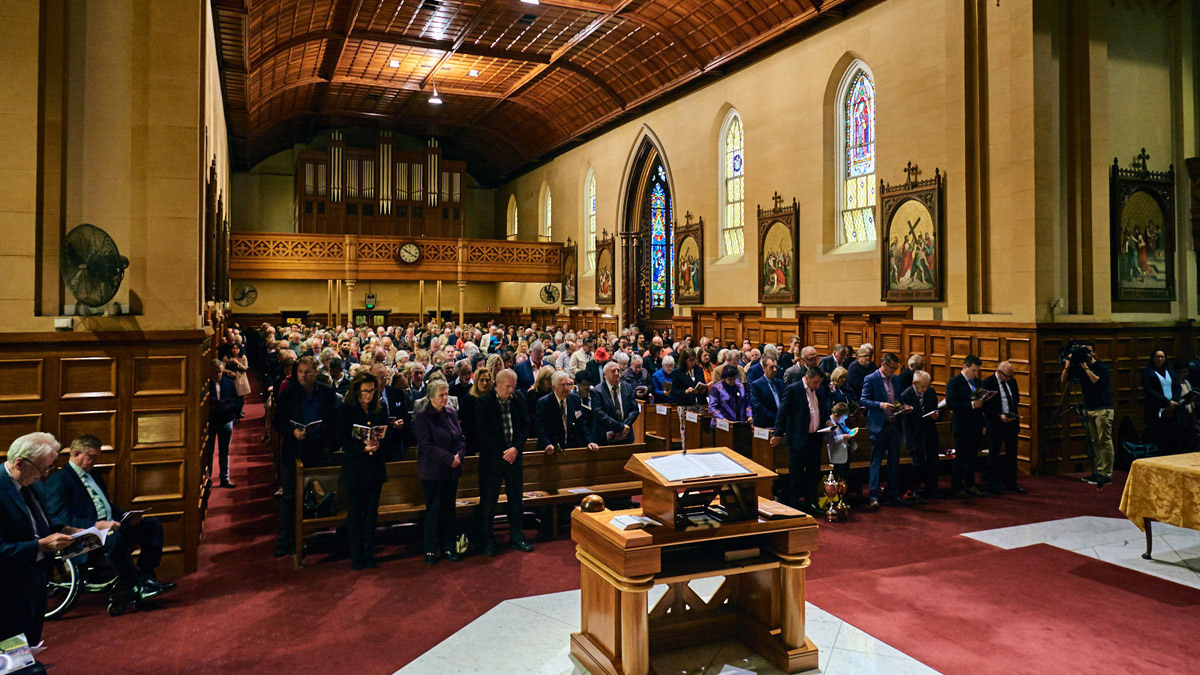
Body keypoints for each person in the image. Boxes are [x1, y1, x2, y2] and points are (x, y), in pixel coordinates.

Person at [41, 435, 175, 601]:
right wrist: (95, 525)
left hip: (110, 528)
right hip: (85, 535)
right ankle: (135, 587)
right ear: (76, 454)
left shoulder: (94, 475)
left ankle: (147, 577)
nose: (95, 461)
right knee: (115, 539)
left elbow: (106, 506)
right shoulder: (59, 481)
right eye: (92, 457)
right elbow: (59, 518)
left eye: (97, 456)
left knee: (151, 525)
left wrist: (125, 516)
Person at [1, 433, 77, 648]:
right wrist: (41, 545)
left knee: (31, 641)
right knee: (12, 649)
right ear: (19, 463)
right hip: (8, 586)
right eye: (43, 468)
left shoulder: (31, 482)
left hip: (37, 577)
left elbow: (41, 520)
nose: (45, 474)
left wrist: (66, 529)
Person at [271, 356, 337, 557]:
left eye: (308, 372)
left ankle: (317, 536)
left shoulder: (326, 392)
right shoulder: (289, 393)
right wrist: (292, 433)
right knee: (290, 497)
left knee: (322, 495)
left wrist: (325, 438)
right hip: (295, 450)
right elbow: (277, 422)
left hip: (318, 450)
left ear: (315, 372)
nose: (303, 376)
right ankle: (285, 540)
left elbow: (334, 420)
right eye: (300, 372)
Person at [337, 372, 391, 570]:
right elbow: (341, 438)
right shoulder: (346, 409)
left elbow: (387, 433)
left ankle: (369, 554)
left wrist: (379, 443)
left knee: (371, 513)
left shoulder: (380, 407)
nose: (368, 395)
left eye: (372, 391)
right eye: (365, 391)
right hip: (355, 468)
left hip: (374, 468)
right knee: (355, 513)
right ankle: (356, 555)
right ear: (357, 390)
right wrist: (361, 447)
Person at [476, 369, 533, 555]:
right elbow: (482, 434)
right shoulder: (484, 402)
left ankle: (517, 537)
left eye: (514, 386)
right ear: (497, 384)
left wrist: (516, 448)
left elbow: (525, 426)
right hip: (492, 461)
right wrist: (503, 452)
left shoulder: (519, 399)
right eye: (508, 386)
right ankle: (487, 541)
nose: (511, 390)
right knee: (489, 502)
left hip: (514, 458)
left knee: (516, 500)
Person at [413, 379, 467, 565]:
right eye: (441, 395)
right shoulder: (422, 417)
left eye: (446, 394)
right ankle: (430, 550)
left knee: (449, 512)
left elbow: (461, 438)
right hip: (433, 472)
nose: (445, 398)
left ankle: (448, 547)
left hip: (451, 471)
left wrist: (459, 455)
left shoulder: (450, 413)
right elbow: (427, 446)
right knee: (434, 511)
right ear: (431, 397)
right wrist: (449, 459)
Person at [772, 367, 830, 513]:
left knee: (813, 474)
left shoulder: (820, 391)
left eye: (820, 383)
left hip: (815, 439)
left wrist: (828, 422)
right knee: (796, 475)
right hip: (799, 439)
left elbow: (822, 411)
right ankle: (795, 505)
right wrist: (778, 433)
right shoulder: (793, 389)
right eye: (815, 382)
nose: (817, 386)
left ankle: (810, 504)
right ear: (807, 378)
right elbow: (783, 412)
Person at [861, 353, 915, 507]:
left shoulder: (896, 379)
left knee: (894, 461)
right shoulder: (871, 378)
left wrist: (904, 407)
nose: (894, 371)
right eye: (892, 368)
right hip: (879, 425)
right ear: (883, 364)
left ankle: (893, 493)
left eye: (896, 368)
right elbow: (863, 400)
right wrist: (881, 405)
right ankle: (873, 495)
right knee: (876, 460)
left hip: (894, 424)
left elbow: (898, 398)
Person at [1060, 343, 1114, 486]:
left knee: (1104, 441)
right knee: (1094, 442)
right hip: (1088, 408)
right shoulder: (1079, 367)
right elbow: (1063, 380)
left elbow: (1096, 381)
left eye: (1088, 351)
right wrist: (1068, 364)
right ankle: (1098, 471)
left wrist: (1085, 368)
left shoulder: (1102, 367)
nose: (1086, 354)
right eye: (1083, 352)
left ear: (1094, 353)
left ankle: (1106, 474)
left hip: (1103, 409)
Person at [947, 355, 987, 498]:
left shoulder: (976, 382)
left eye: (977, 371)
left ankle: (970, 484)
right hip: (962, 425)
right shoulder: (955, 382)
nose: (975, 374)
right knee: (961, 457)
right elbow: (951, 404)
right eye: (973, 370)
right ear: (965, 367)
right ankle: (956, 486)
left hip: (975, 424)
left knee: (972, 457)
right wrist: (971, 404)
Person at [983, 361, 1025, 494]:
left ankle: (1012, 483)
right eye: (1007, 376)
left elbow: (1015, 399)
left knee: (1012, 454)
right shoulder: (987, 383)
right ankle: (993, 484)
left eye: (1011, 376)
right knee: (994, 453)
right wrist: (999, 416)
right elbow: (984, 406)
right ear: (999, 372)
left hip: (1011, 423)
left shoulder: (1012, 382)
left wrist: (1011, 415)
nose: (1009, 379)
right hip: (995, 424)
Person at [535, 371, 599, 453]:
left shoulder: (575, 400)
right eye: (563, 385)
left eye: (568, 385)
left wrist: (590, 441)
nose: (566, 388)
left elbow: (582, 424)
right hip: (550, 450)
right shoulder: (544, 403)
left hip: (571, 449)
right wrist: (547, 444)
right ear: (554, 387)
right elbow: (540, 427)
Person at [900, 370, 941, 500]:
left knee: (933, 460)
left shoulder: (930, 392)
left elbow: (934, 408)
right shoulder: (906, 395)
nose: (925, 389)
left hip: (929, 431)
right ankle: (914, 489)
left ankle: (931, 488)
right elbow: (904, 421)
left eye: (926, 385)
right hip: (915, 433)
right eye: (922, 386)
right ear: (915, 383)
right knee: (918, 463)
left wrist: (935, 415)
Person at [204, 359, 239, 488]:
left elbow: (236, 400)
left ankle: (225, 478)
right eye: (215, 372)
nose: (218, 374)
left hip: (226, 420)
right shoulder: (206, 384)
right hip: (211, 421)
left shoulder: (229, 383)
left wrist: (229, 408)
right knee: (209, 451)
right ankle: (207, 479)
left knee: (225, 451)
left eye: (220, 372)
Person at [1142, 349, 1183, 452]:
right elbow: (1149, 390)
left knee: (1173, 436)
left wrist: (1174, 401)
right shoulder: (1148, 372)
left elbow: (1177, 386)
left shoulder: (1169, 370)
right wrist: (1166, 402)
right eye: (1157, 357)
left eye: (1162, 357)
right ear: (1153, 358)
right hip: (1156, 408)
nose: (1160, 359)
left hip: (1172, 408)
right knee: (1159, 436)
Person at [594, 361, 640, 445]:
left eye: (618, 371)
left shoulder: (627, 387)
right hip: (606, 437)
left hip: (626, 435)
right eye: (613, 371)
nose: (616, 373)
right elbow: (599, 414)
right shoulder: (597, 391)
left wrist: (625, 426)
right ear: (605, 375)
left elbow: (635, 410)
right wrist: (620, 427)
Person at [747, 356, 786, 428]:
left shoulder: (781, 383)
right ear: (764, 368)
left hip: (780, 425)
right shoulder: (756, 385)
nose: (774, 370)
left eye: (775, 367)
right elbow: (758, 407)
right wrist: (777, 419)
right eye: (771, 367)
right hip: (763, 425)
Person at [460, 367, 491, 456]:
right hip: (472, 444)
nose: (485, 383)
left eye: (487, 380)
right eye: (481, 380)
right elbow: (466, 426)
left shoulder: (492, 400)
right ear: (476, 381)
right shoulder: (468, 400)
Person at [824, 402, 856, 484]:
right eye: (843, 417)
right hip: (836, 454)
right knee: (837, 478)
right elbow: (830, 440)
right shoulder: (829, 423)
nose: (843, 420)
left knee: (844, 478)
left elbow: (843, 429)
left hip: (844, 452)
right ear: (835, 414)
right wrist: (843, 437)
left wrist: (849, 431)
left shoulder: (840, 421)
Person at [526, 365, 557, 430]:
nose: (551, 382)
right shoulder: (532, 394)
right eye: (548, 379)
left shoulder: (554, 394)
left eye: (552, 379)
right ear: (542, 379)